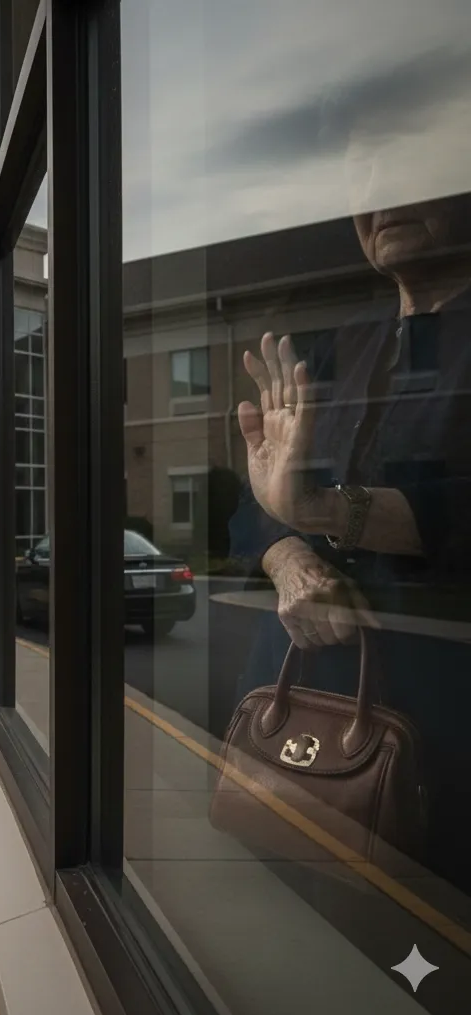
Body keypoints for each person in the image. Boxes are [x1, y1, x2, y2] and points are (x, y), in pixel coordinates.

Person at [229, 190, 471, 897]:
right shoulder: (341, 344)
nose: (388, 202)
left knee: (425, 923)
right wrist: (289, 558)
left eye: (419, 175)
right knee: (295, 885)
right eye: (370, 191)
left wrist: (322, 510)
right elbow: (255, 503)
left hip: (442, 701)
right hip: (302, 693)